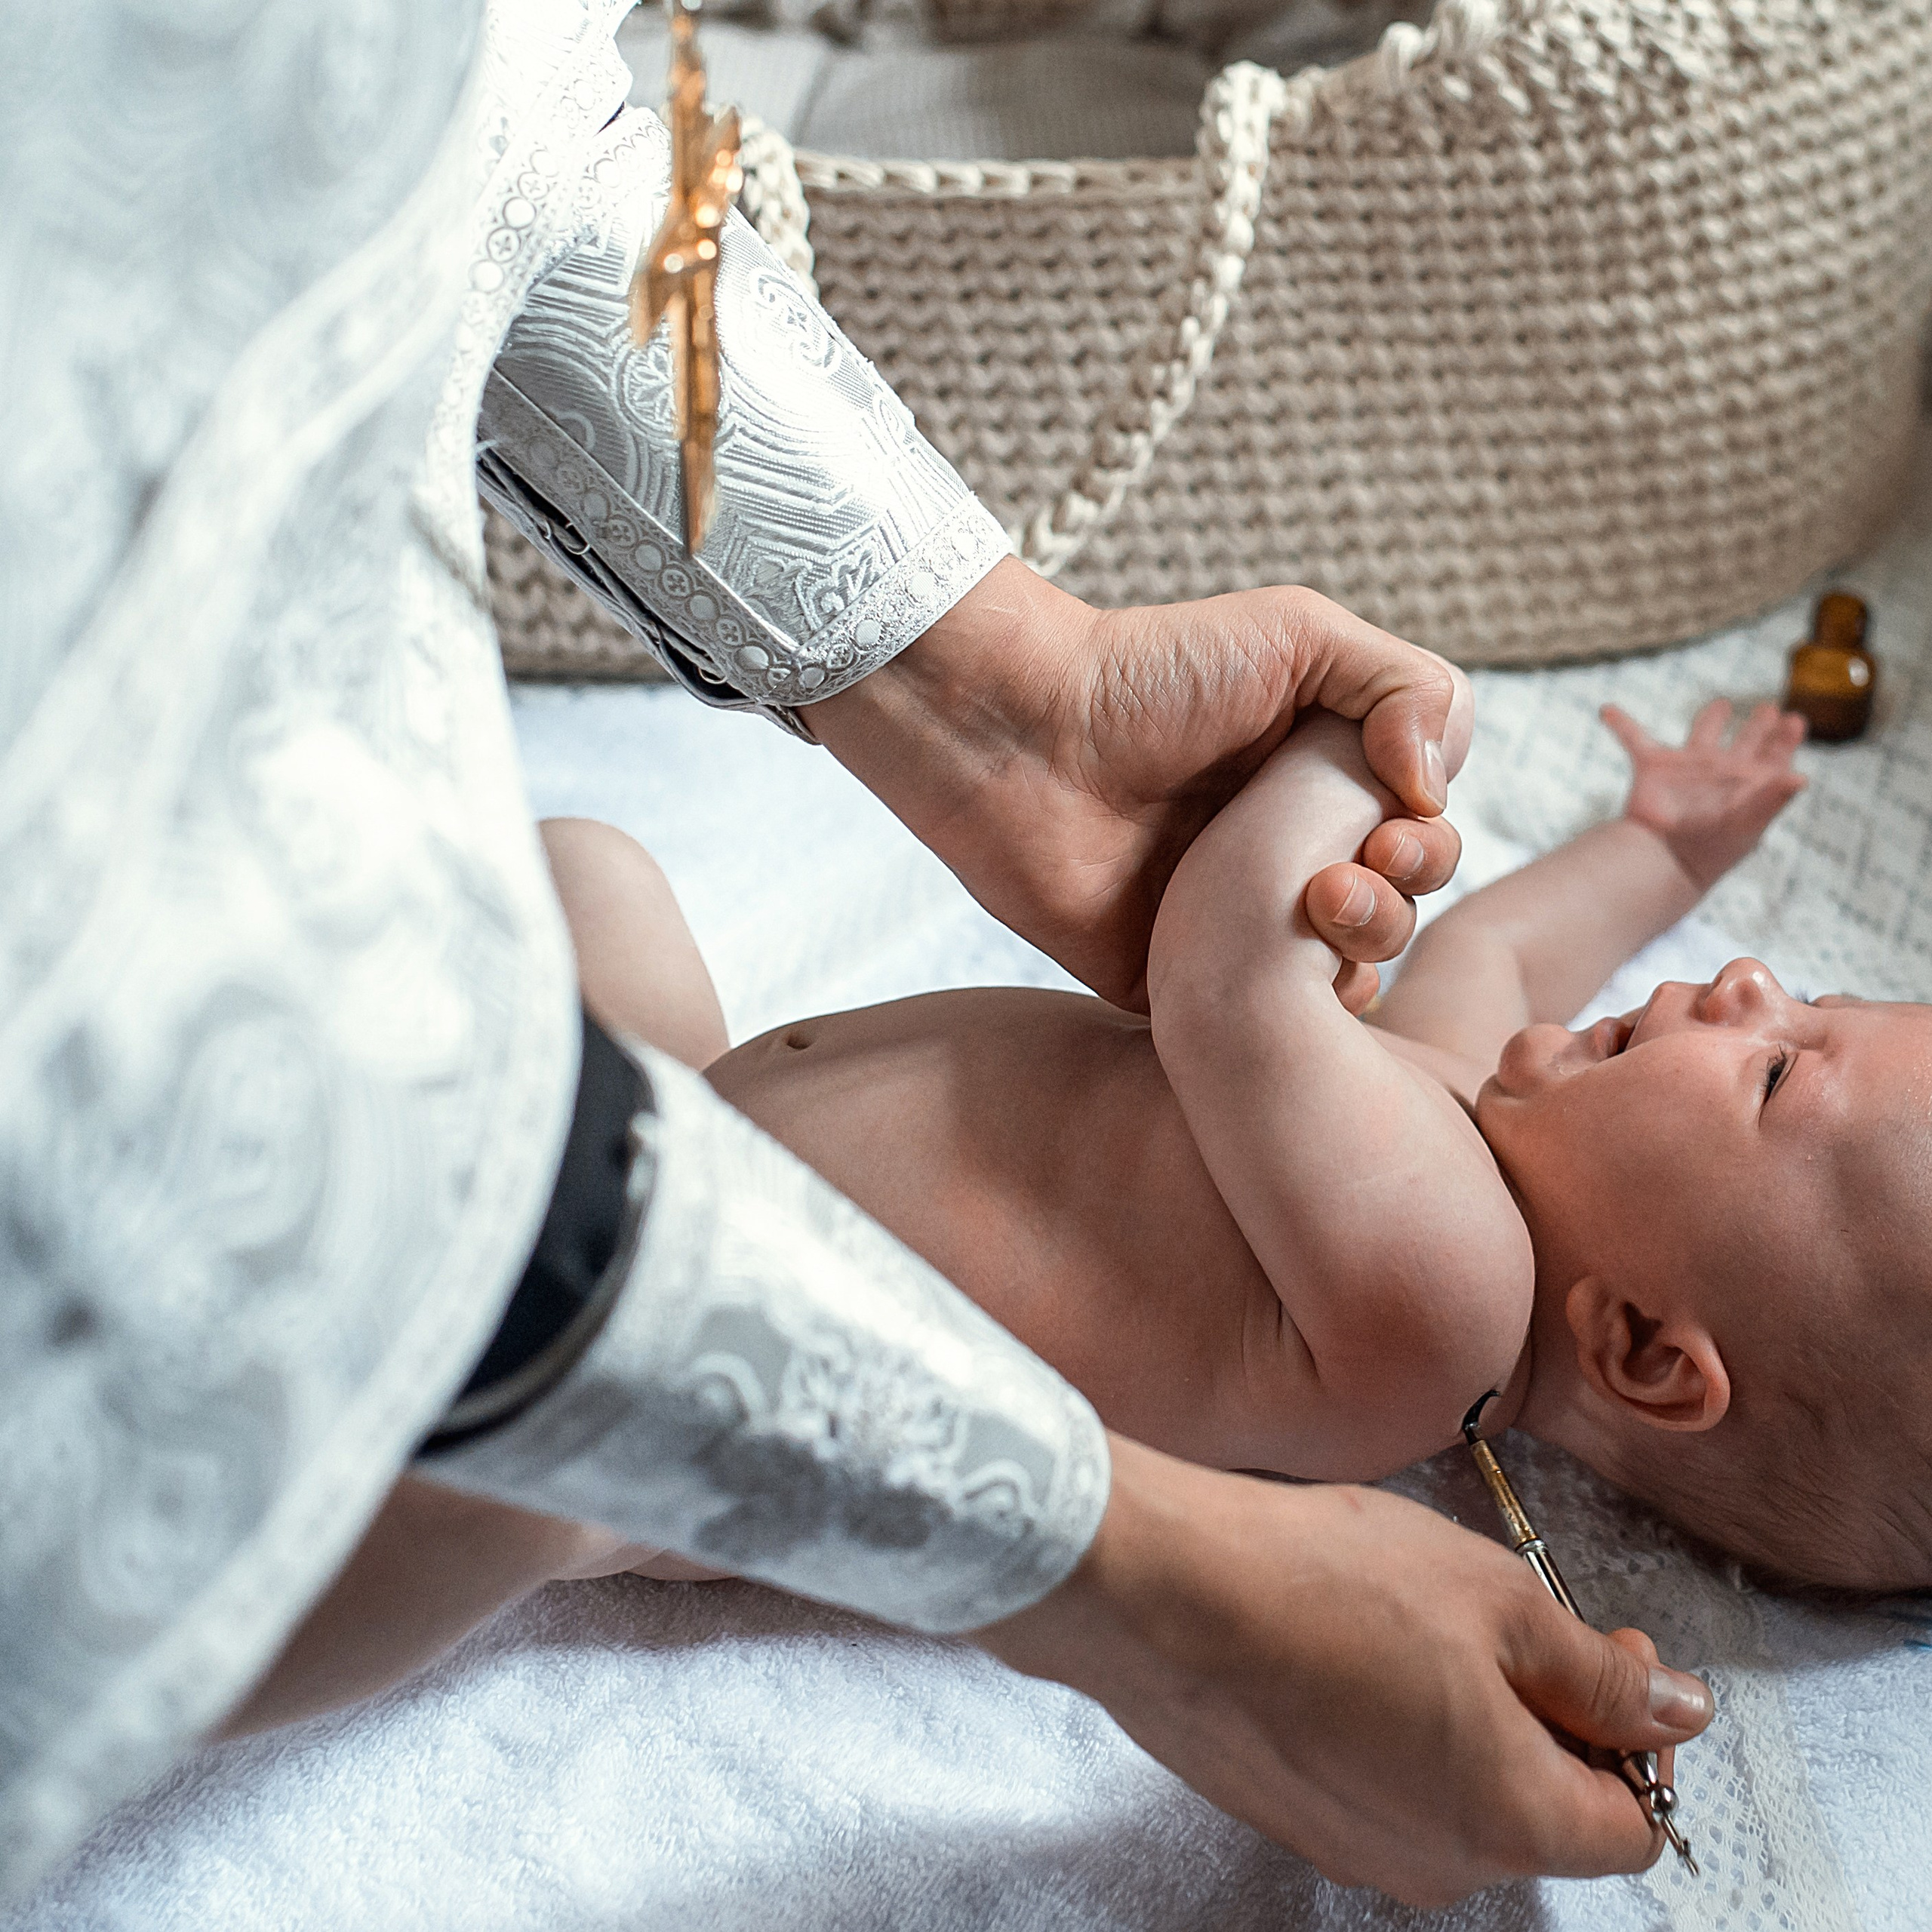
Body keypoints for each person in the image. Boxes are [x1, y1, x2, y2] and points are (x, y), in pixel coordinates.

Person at [0, 0, 1708, 1909]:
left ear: (1647, 1350)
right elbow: (1487, 954)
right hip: (653, 1118)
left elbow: (1229, 984)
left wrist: (1285, 756)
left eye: (1786, 1071)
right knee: (593, 873)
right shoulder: (1457, 1130)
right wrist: (1658, 847)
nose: (1750, 994)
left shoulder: (1448, 1296)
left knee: (262, 1546)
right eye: (1796, 992)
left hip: (597, 1453)